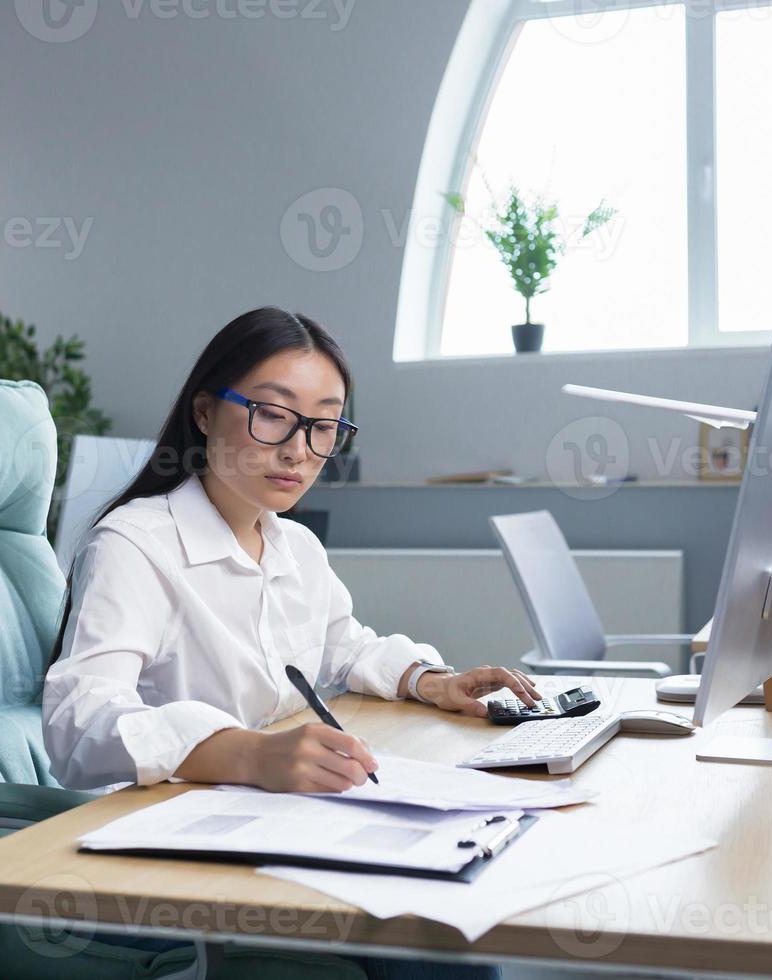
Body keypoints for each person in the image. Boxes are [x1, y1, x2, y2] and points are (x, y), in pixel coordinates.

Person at [43, 307, 540, 979]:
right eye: (272, 414)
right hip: (181, 846)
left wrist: (431, 681)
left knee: (454, 912)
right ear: (203, 412)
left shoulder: (292, 542)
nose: (298, 448)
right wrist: (248, 754)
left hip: (280, 820)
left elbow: (342, 645)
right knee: (431, 947)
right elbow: (79, 724)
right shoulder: (135, 544)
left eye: (324, 423)